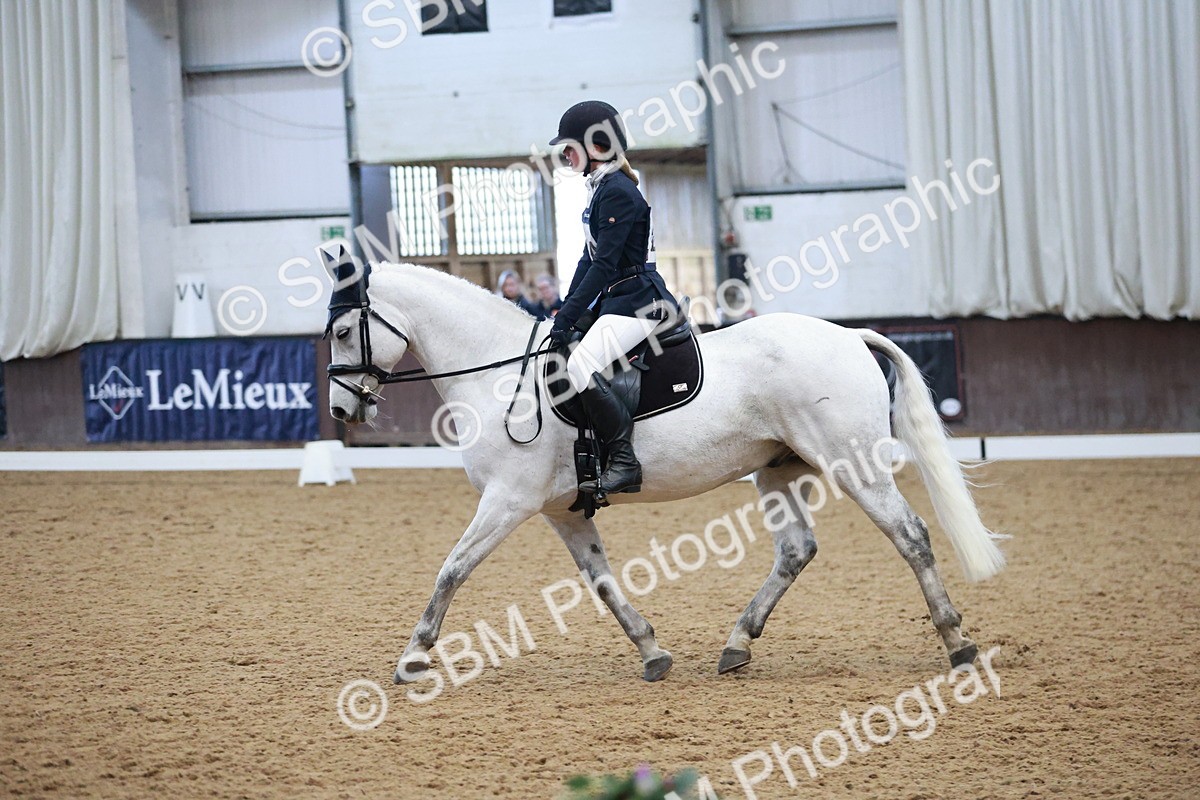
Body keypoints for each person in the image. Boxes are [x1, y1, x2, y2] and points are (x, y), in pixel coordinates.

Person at [547, 100, 680, 497]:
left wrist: (568, 316)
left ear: (596, 146)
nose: (566, 156)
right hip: (619, 299)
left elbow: (604, 265)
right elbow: (586, 260)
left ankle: (624, 460)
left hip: (639, 300)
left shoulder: (618, 191)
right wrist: (566, 309)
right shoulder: (602, 189)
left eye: (570, 147)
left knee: (581, 364)